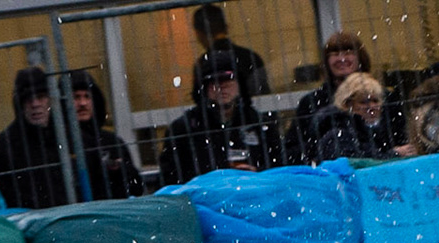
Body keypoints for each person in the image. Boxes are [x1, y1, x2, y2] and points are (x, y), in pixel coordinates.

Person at [157, 50, 282, 186]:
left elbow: (280, 167)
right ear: (203, 88)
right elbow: (170, 179)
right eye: (213, 81)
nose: (222, 86)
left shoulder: (260, 124)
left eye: (229, 78)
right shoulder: (183, 129)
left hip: (253, 193)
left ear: (240, 84)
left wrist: (257, 174)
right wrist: (212, 180)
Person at [0, 67, 71, 210]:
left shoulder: (71, 138)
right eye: (28, 99)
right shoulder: (0, 150)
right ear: (20, 103)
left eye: (40, 97)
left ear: (50, 100)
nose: (35, 104)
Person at [287, 31, 371, 163]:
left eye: (348, 53)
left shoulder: (380, 96)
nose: (342, 59)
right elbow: (292, 149)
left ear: (360, 58)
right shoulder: (311, 102)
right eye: (335, 54)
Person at [70, 71, 144, 201]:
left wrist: (118, 170)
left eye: (87, 96)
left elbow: (137, 187)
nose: (82, 103)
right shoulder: (59, 144)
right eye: (76, 97)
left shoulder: (111, 141)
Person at [312, 72, 403, 161]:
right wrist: (393, 155)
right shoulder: (338, 133)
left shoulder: (382, 130)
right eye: (363, 102)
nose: (371, 107)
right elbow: (353, 162)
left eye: (375, 101)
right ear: (347, 105)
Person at [190, 3, 270, 96]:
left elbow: (202, 100)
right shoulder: (250, 57)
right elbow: (263, 95)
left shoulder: (203, 64)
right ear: (226, 27)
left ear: (199, 33)